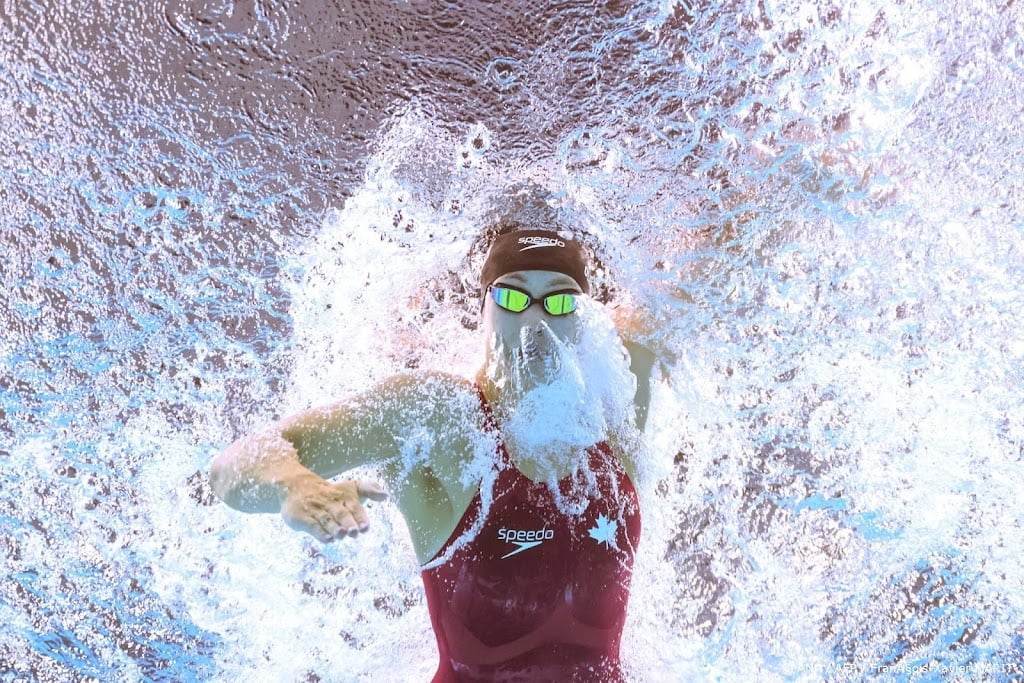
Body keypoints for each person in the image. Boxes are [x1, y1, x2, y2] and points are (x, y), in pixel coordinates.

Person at [210, 225, 657, 681]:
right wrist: (295, 485)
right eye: (512, 298)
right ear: (482, 309)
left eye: (560, 301)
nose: (536, 322)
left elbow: (706, 264)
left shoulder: (617, 387)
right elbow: (231, 467)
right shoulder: (443, 418)